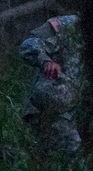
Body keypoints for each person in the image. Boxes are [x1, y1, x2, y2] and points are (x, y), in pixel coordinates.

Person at [19, 14, 83, 154]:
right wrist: (46, 61)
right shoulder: (68, 25)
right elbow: (29, 44)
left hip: (80, 114)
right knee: (74, 153)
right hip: (50, 110)